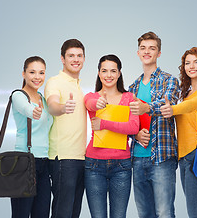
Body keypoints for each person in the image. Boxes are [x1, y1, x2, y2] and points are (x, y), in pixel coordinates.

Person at [160, 47, 197, 218]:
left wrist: (173, 109)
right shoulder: (184, 94)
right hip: (183, 157)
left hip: (196, 154)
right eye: (187, 63)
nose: (191, 66)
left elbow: (193, 104)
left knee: (195, 211)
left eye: (196, 62)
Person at [128, 31, 180, 218]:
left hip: (162, 158)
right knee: (145, 214)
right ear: (138, 53)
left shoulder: (170, 80)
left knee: (165, 213)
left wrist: (147, 107)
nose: (147, 51)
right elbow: (126, 122)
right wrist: (135, 135)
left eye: (152, 48)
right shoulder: (132, 88)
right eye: (143, 48)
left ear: (159, 53)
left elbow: (170, 105)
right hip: (137, 158)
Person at [84, 54, 139, 218]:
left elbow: (133, 127)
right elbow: (89, 104)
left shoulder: (129, 97)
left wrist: (104, 124)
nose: (109, 75)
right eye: (104, 71)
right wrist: (98, 104)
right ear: (99, 73)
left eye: (113, 71)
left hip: (121, 165)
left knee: (119, 215)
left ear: (119, 73)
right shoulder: (92, 97)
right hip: (94, 165)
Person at [44, 39, 87, 218]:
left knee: (74, 213)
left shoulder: (79, 87)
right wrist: (62, 108)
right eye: (71, 56)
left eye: (79, 55)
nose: (75, 59)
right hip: (63, 158)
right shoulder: (54, 82)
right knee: (62, 212)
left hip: (81, 158)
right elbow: (52, 105)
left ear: (84, 58)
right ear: (62, 58)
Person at [11, 56, 53, 218]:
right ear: (24, 74)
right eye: (32, 72)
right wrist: (33, 111)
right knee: (21, 214)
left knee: (42, 214)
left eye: (41, 73)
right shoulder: (18, 95)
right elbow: (26, 109)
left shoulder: (42, 98)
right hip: (25, 163)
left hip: (44, 162)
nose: (37, 77)